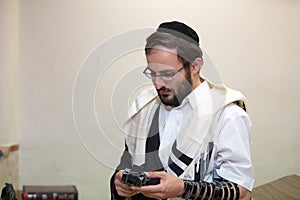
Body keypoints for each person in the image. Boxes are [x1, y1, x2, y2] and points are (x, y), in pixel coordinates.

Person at [110, 21, 254, 200]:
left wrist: (183, 189)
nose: (158, 84)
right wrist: (120, 183)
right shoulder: (144, 108)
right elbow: (127, 165)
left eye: (167, 74)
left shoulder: (227, 116)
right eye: (152, 73)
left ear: (195, 66)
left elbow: (241, 190)